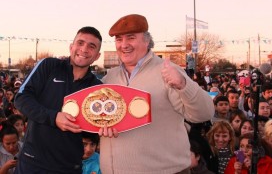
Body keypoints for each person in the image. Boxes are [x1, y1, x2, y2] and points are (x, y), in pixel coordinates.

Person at [99, 14, 214, 173]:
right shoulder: (109, 78)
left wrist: (183, 84)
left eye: (131, 38)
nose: (124, 45)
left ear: (146, 40)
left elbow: (204, 113)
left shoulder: (167, 71)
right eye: (119, 39)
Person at [13, 26, 103, 174]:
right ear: (71, 47)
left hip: (68, 167)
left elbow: (97, 124)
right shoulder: (49, 66)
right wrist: (54, 117)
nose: (84, 49)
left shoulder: (97, 87)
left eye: (91, 46)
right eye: (80, 43)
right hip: (32, 162)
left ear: (97, 55)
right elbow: (21, 98)